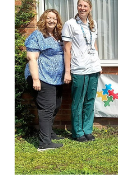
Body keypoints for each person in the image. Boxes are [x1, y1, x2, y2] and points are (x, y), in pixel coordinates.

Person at [25, 8, 65, 151]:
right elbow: (32, 58)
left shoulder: (58, 35)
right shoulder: (37, 36)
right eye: (49, 17)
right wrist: (36, 79)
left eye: (54, 18)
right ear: (43, 19)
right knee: (47, 108)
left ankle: (49, 133)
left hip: (56, 79)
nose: (51, 20)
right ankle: (44, 143)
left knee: (56, 105)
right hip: (42, 77)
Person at [62, 0, 102, 142]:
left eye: (85, 6)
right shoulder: (70, 24)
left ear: (90, 8)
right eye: (80, 5)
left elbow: (93, 44)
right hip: (78, 68)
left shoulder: (93, 23)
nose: (82, 8)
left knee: (90, 100)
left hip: (93, 67)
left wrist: (98, 63)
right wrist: (67, 71)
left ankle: (87, 130)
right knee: (78, 101)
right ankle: (78, 132)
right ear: (77, 7)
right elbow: (67, 49)